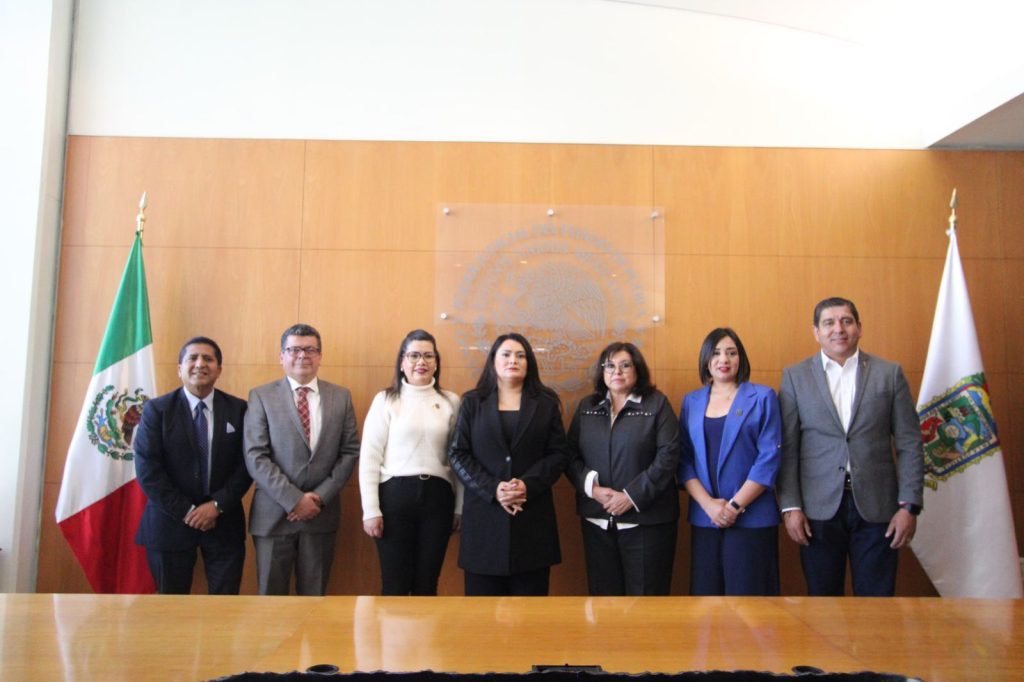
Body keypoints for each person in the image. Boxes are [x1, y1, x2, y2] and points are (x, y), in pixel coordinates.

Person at [777, 297, 924, 596]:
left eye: (846, 321)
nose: (838, 329)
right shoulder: (795, 377)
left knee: (876, 603)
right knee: (823, 604)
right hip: (817, 511)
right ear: (816, 332)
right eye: (828, 323)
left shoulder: (889, 374)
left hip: (878, 508)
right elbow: (788, 448)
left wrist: (909, 506)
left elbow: (910, 443)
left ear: (859, 327)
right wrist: (791, 507)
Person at [448, 332, 570, 596]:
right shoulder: (472, 402)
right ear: (493, 361)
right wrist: (494, 489)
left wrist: (526, 485)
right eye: (506, 354)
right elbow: (458, 454)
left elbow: (559, 454)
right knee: (481, 613)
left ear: (529, 363)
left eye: (520, 355)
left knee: (531, 613)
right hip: (484, 521)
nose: (513, 360)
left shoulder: (546, 403)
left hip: (532, 521)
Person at [244, 323, 360, 595]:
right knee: (271, 602)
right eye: (294, 349)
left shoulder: (341, 397)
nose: (302, 356)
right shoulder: (261, 396)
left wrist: (318, 498)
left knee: (314, 600)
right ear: (281, 356)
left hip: (320, 514)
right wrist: (294, 500)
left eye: (310, 350)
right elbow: (256, 455)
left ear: (320, 356)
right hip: (273, 515)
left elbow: (349, 451)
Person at [133, 336, 251, 594]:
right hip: (169, 524)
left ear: (219, 369)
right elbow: (148, 470)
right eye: (192, 358)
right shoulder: (156, 410)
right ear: (180, 369)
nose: (200, 364)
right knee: (170, 609)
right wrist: (188, 511)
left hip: (224, 523)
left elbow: (246, 466)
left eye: (208, 359)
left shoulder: (239, 409)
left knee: (225, 608)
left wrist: (216, 506)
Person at [566, 342, 680, 596]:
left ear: (637, 369)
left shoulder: (656, 404)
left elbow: (668, 455)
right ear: (602, 372)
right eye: (610, 366)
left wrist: (631, 496)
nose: (616, 371)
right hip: (598, 520)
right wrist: (592, 489)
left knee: (646, 603)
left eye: (625, 365)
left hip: (647, 522)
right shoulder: (587, 406)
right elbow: (569, 454)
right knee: (604, 602)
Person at [678, 328, 782, 595]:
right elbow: (684, 460)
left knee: (749, 603)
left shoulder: (763, 397)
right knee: (706, 601)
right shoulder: (691, 401)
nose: (723, 359)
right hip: (706, 518)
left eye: (731, 353)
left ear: (741, 359)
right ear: (706, 360)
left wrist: (734, 506)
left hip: (752, 516)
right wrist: (709, 505)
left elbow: (769, 458)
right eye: (716, 353)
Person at [359, 329, 462, 595]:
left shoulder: (451, 401)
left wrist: (459, 508)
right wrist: (371, 510)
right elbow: (370, 457)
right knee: (394, 583)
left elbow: (460, 459)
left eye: (428, 355)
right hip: (394, 497)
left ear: (437, 362)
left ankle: (424, 627)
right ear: (402, 362)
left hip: (438, 499)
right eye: (414, 355)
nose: (421, 362)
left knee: (427, 583)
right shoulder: (386, 400)